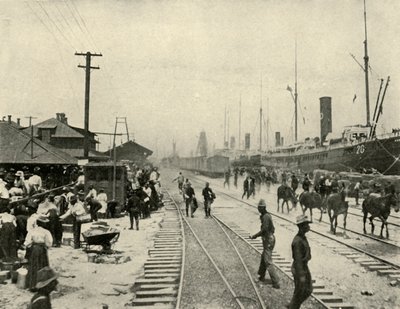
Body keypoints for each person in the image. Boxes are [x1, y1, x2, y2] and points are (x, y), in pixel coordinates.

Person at [250, 199, 280, 289]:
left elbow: (264, 230)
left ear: (263, 208)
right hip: (268, 239)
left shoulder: (266, 217)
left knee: (268, 260)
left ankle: (276, 282)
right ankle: (261, 276)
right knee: (264, 257)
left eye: (259, 208)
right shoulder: (265, 216)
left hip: (268, 240)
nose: (258, 209)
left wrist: (255, 236)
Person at [287, 214, 313, 309]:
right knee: (301, 292)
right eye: (306, 224)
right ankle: (293, 306)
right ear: (302, 226)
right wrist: (301, 275)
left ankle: (292, 306)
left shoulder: (302, 237)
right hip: (299, 268)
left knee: (306, 290)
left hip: (303, 267)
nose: (308, 226)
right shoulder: (298, 241)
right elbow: (297, 260)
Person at [24, 215, 53, 291]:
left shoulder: (32, 231)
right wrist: (46, 246)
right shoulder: (46, 232)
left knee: (33, 266)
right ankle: (42, 285)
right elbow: (49, 243)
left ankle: (32, 285)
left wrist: (30, 246)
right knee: (42, 266)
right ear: (44, 224)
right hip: (42, 249)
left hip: (34, 249)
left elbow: (27, 242)